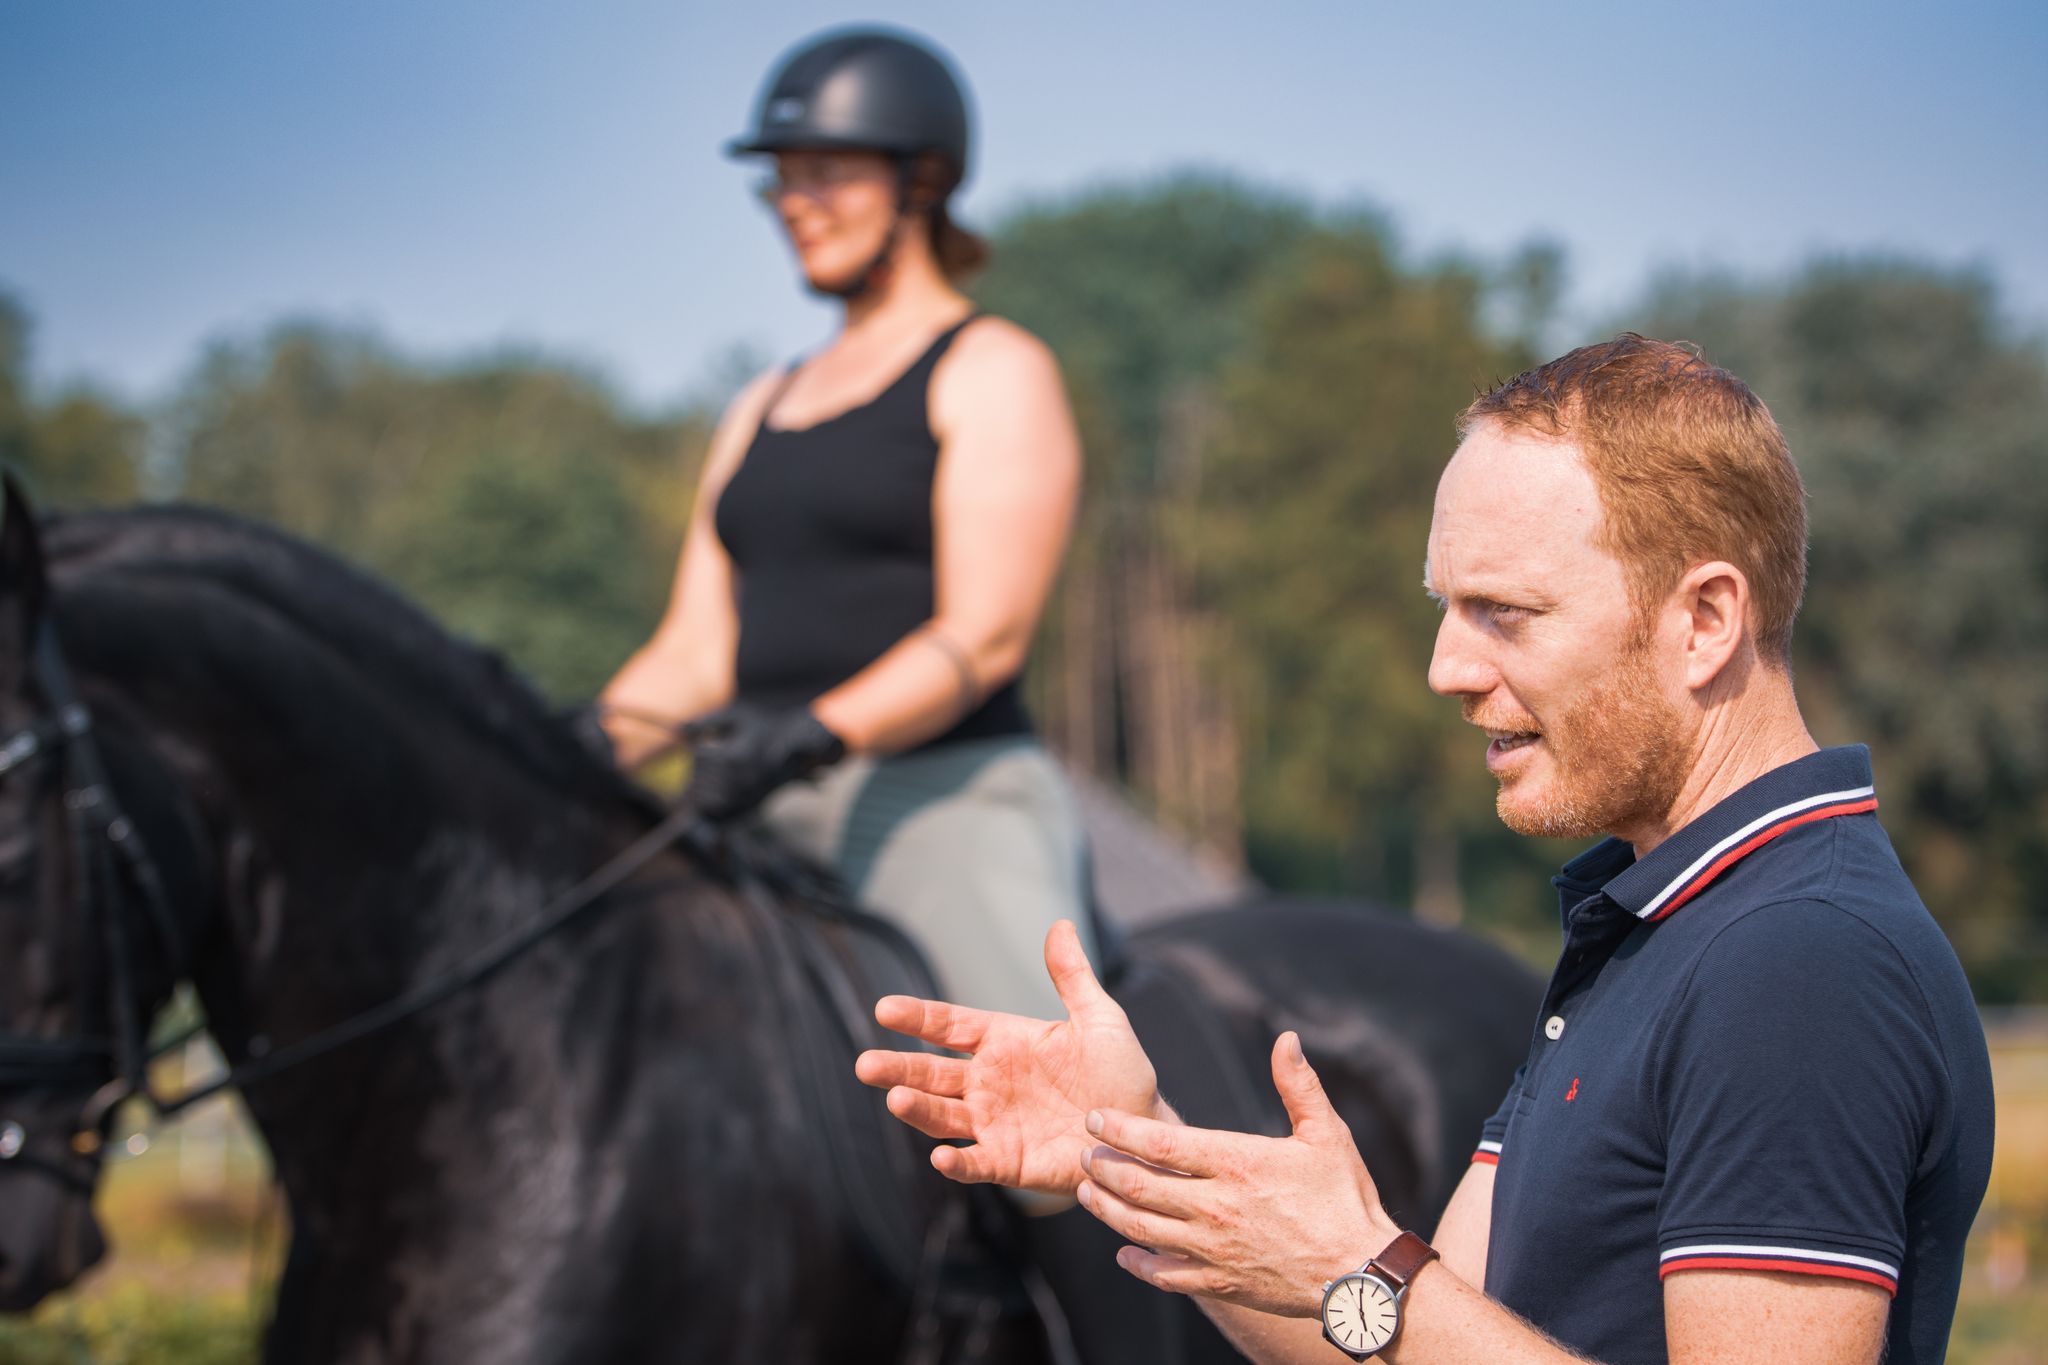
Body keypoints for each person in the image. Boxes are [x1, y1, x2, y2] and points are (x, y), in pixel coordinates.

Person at [855, 336, 1995, 1364]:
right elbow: (1399, 1339)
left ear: (1702, 621)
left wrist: (1360, 1263)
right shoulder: (1654, 932)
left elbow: (1384, 1300)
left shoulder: (1795, 962)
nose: (1445, 668)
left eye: (1503, 611)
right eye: (1443, 607)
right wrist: (1131, 1150)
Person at [599, 26, 1097, 1024]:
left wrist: (811, 735)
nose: (794, 204)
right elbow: (695, 652)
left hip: (934, 800)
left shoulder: (993, 369)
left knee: (1046, 1108)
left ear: (920, 182)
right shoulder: (756, 406)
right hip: (745, 803)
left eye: (824, 174)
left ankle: (1084, 1184)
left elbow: (982, 636)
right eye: (782, 180)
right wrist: (573, 747)